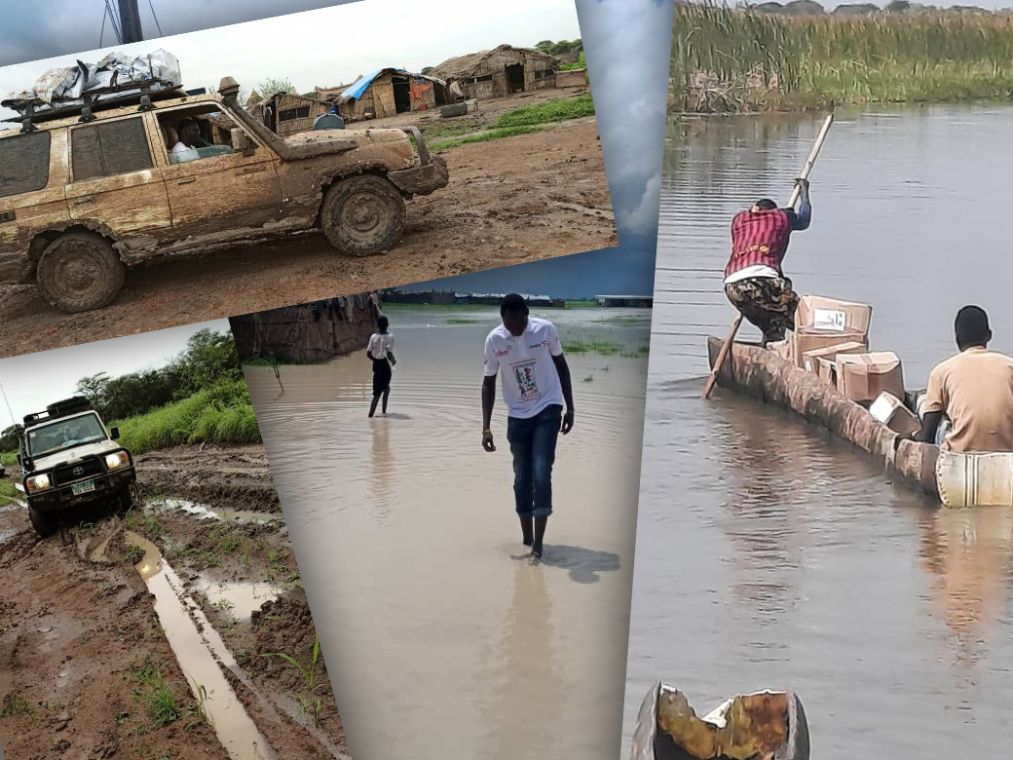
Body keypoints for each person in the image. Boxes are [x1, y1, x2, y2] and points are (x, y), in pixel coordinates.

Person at [482, 294, 575, 561]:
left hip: (548, 407)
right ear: (503, 321)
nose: (515, 330)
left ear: (527, 315)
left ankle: (539, 546)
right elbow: (488, 382)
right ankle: (527, 538)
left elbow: (562, 366)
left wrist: (570, 407)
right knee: (521, 476)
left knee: (541, 471)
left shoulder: (545, 330)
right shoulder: (495, 340)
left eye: (519, 324)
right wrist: (485, 427)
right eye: (509, 325)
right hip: (517, 415)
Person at [723, 178, 812, 345]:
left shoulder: (739, 220)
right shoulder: (782, 217)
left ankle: (771, 355)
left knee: (774, 326)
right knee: (806, 321)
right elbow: (804, 219)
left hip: (732, 286)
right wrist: (804, 192)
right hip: (761, 281)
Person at [918, 305, 1013, 452]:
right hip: (1007, 455)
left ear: (957, 338)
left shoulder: (941, 371)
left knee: (934, 417)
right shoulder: (1009, 366)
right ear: (989, 335)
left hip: (960, 455)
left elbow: (926, 438)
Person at [367, 316, 396, 418]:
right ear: (387, 325)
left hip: (376, 365)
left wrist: (375, 361)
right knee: (378, 393)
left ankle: (383, 413)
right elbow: (388, 353)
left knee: (385, 389)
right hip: (385, 366)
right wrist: (394, 361)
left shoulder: (373, 337)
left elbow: (368, 353)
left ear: (378, 325)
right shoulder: (390, 337)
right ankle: (370, 416)